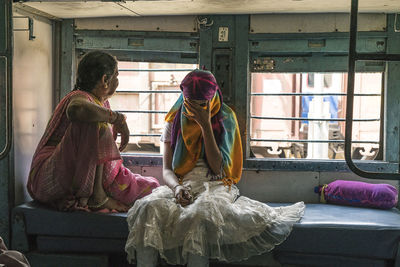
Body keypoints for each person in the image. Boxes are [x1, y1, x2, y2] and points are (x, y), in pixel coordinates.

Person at [125, 69, 305, 266]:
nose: (194, 110)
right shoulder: (174, 120)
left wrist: (205, 125)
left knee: (199, 215)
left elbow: (218, 167)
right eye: (190, 104)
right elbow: (167, 170)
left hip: (215, 183)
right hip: (182, 182)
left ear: (212, 99)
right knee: (147, 208)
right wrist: (177, 188)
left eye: (201, 105)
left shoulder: (226, 118)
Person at [27, 51, 160, 212]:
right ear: (105, 80)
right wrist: (117, 119)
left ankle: (93, 194)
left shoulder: (101, 104)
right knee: (96, 123)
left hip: (70, 178)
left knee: (153, 188)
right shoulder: (79, 97)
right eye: (116, 75)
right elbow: (76, 110)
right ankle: (97, 196)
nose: (118, 81)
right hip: (47, 178)